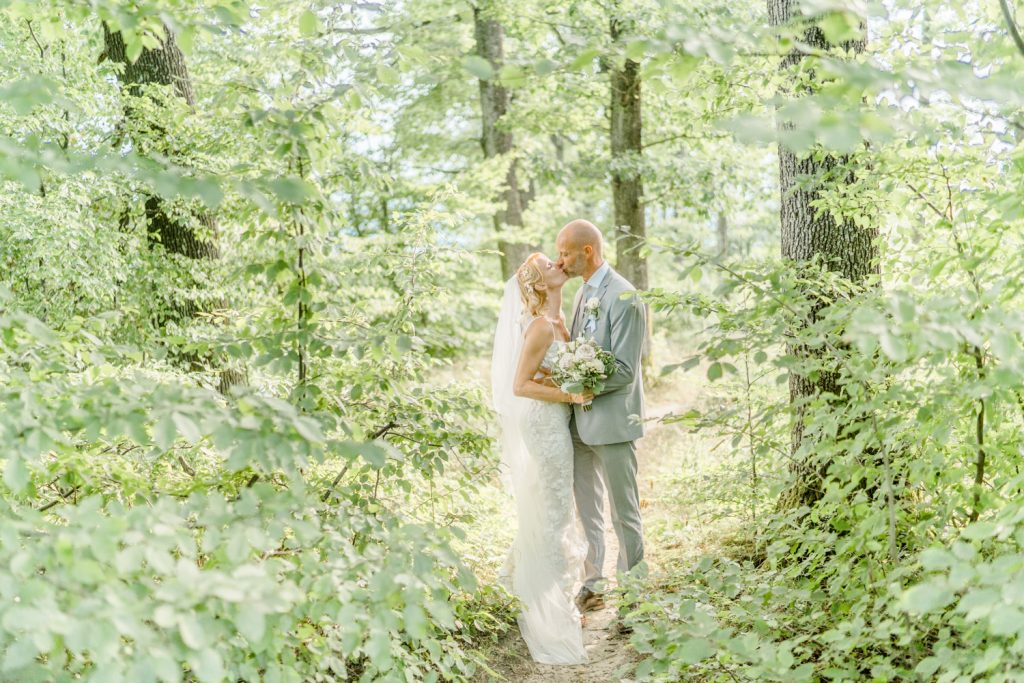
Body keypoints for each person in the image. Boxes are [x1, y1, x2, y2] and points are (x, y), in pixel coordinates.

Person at [491, 252, 591, 665]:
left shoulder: (558, 321)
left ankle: (513, 577)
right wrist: (569, 394)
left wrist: (567, 380)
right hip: (544, 424)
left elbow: (544, 372)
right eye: (549, 266)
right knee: (555, 509)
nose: (558, 266)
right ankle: (549, 606)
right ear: (537, 284)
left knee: (550, 504)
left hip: (556, 417)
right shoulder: (537, 327)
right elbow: (519, 385)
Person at [555, 219, 647, 617]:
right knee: (587, 511)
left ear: (587, 251)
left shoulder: (624, 297)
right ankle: (594, 584)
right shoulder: (581, 296)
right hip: (579, 423)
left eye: (565, 253)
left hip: (611, 420)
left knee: (623, 512)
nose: (561, 261)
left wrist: (584, 386)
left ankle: (633, 597)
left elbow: (625, 369)